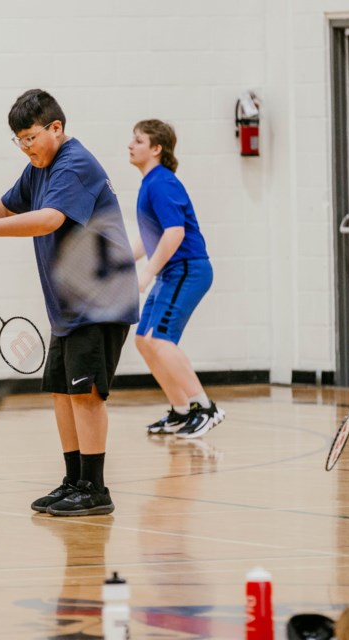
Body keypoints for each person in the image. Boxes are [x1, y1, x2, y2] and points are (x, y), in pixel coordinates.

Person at [0, 89, 139, 517]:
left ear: (56, 128)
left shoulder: (75, 164)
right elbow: (6, 203)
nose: (25, 147)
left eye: (31, 137)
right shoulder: (38, 168)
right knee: (60, 391)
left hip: (101, 301)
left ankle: (95, 488)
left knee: (86, 395)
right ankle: (74, 480)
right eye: (18, 140)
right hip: (70, 305)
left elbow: (49, 219)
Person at [127, 119, 224, 439]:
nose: (130, 145)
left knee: (161, 340)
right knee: (144, 340)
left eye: (138, 141)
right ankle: (181, 411)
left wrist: (147, 273)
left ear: (156, 149)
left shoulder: (162, 183)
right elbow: (151, 236)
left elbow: (174, 233)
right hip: (174, 271)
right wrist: (124, 263)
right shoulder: (150, 183)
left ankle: (205, 408)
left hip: (187, 269)